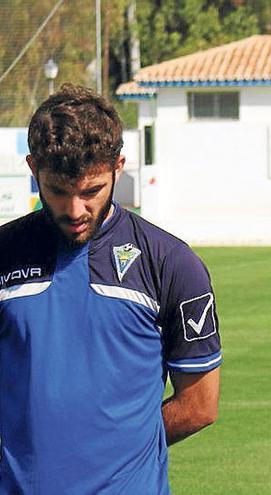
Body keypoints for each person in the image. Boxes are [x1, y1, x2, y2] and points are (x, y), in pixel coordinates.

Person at [0, 84, 221, 493]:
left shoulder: (172, 262)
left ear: (118, 166)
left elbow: (200, 405)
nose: (75, 210)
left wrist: (125, 446)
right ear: (33, 169)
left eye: (91, 191)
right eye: (58, 191)